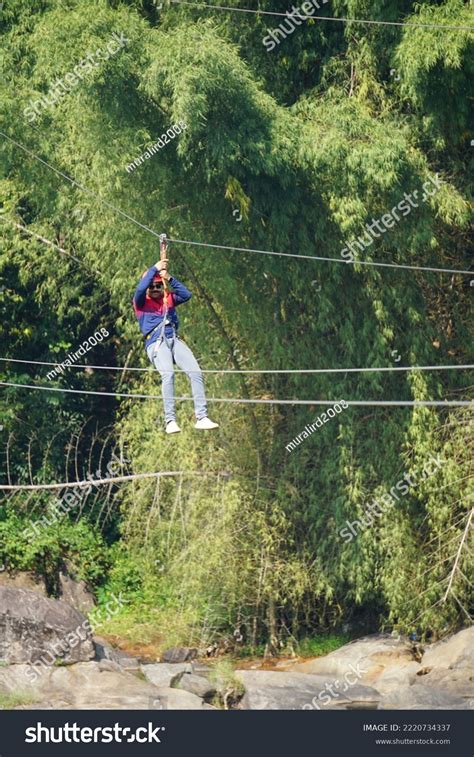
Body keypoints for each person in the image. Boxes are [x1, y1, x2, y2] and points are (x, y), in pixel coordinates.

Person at [132, 256, 219, 434]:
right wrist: (154, 268)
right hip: (156, 342)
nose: (155, 288)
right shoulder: (141, 303)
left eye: (158, 285)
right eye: (152, 286)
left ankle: (201, 417)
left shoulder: (168, 299)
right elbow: (140, 288)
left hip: (174, 340)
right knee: (168, 375)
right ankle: (170, 420)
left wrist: (169, 277)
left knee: (195, 372)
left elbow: (187, 295)